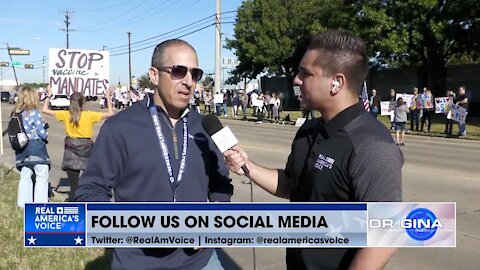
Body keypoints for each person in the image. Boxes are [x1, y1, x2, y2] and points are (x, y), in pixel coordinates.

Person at [224, 30, 402, 269]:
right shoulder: (309, 130)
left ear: (336, 83)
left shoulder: (372, 145)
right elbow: (292, 185)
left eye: (305, 73)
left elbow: (385, 237)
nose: (296, 80)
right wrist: (248, 167)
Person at [75, 39, 233, 269]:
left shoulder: (204, 127)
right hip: (137, 261)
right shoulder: (120, 127)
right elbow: (90, 191)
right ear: (154, 75)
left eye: (195, 74)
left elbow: (220, 183)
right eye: (178, 71)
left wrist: (215, 218)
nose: (188, 82)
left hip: (201, 261)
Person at [42, 86, 114, 201]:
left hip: (71, 151)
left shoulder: (66, 115)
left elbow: (44, 110)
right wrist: (108, 98)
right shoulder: (89, 115)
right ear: (83, 102)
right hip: (87, 150)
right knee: (89, 183)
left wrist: (49, 95)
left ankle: (75, 206)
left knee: (74, 186)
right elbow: (110, 114)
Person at [13, 86, 50, 208]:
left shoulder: (17, 113)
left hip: (22, 150)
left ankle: (23, 204)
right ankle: (39, 204)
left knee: (25, 176)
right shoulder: (34, 113)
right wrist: (45, 127)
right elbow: (42, 133)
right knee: (41, 176)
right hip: (36, 148)